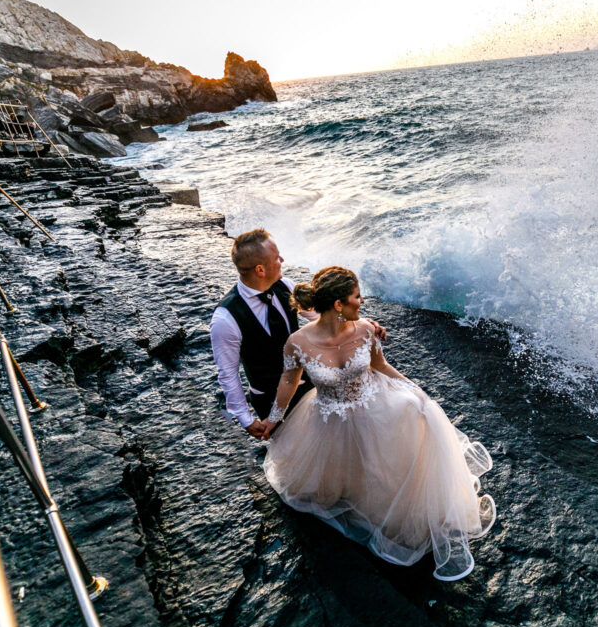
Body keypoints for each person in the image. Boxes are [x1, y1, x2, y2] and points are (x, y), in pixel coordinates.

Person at [261, 266, 496, 581]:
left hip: (376, 408)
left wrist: (418, 393)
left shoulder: (365, 329)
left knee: (391, 452)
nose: (362, 301)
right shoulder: (298, 343)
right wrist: (273, 420)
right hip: (330, 418)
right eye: (356, 296)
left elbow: (380, 365)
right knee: (334, 482)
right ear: (338, 305)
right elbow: (289, 381)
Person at [210, 229, 386, 438]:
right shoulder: (225, 319)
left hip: (311, 389)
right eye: (277, 258)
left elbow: (323, 316)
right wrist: (244, 418)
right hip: (270, 399)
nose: (282, 259)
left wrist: (364, 324)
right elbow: (228, 373)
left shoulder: (285, 286)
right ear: (260, 270)